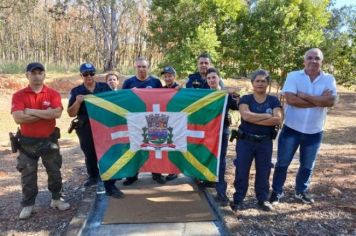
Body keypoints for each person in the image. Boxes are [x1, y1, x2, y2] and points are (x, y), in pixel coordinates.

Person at [270, 48, 337, 205]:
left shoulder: (329, 79)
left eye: (317, 58)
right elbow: (291, 100)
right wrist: (319, 100)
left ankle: (301, 191)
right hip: (291, 128)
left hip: (314, 131)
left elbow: (331, 102)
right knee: (282, 163)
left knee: (307, 165)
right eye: (310, 57)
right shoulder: (294, 76)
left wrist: (305, 96)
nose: (313, 61)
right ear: (304, 60)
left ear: (322, 61)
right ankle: (276, 191)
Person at [11, 62, 70, 219]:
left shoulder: (53, 94)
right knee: (28, 175)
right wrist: (45, 113)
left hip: (49, 141)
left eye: (40, 72)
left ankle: (56, 199)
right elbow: (18, 117)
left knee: (55, 171)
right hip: (26, 144)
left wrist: (30, 111)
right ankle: (28, 205)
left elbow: (56, 114)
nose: (37, 75)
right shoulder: (19, 95)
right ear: (27, 75)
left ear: (44, 74)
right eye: (33, 73)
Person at [67, 63, 123, 199]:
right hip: (85, 127)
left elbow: (114, 105)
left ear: (95, 74)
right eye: (85, 74)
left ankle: (110, 186)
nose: (89, 76)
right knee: (90, 154)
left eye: (91, 73)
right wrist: (78, 102)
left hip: (104, 126)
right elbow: (70, 113)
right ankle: (93, 176)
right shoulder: (76, 91)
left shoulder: (104, 88)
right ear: (81, 75)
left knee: (108, 154)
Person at [231, 69, 282, 212]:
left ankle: (263, 199)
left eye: (263, 81)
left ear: (268, 83)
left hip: (265, 142)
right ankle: (238, 199)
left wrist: (256, 117)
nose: (260, 83)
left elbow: (277, 119)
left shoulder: (273, 100)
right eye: (257, 81)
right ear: (252, 83)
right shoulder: (246, 99)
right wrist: (267, 116)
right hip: (245, 141)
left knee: (264, 171)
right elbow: (246, 116)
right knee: (241, 170)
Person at [121, 57, 164, 185]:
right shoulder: (128, 83)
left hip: (152, 120)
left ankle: (156, 173)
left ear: (148, 68)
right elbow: (122, 100)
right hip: (135, 121)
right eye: (139, 67)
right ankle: (133, 175)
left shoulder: (156, 82)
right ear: (135, 67)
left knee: (155, 146)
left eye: (144, 67)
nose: (141, 69)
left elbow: (163, 99)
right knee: (135, 147)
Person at [205, 68, 239, 206]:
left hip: (222, 131)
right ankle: (207, 179)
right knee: (206, 156)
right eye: (209, 78)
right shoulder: (203, 95)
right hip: (207, 132)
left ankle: (221, 191)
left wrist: (235, 94)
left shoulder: (226, 95)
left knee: (221, 160)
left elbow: (238, 106)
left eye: (214, 77)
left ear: (219, 78)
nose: (212, 80)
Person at [160, 66, 180, 181]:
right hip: (165, 121)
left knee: (175, 145)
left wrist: (180, 89)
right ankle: (167, 168)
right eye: (165, 76)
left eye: (170, 76)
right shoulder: (161, 89)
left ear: (174, 76)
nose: (167, 78)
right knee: (166, 145)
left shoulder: (180, 89)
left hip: (177, 121)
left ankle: (174, 170)